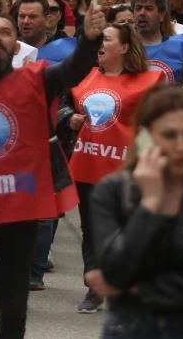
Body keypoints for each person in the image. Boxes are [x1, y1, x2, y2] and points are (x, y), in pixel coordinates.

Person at [0, 4, 106, 338]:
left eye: (5, 32)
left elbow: (75, 68)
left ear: (15, 46)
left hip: (19, 217)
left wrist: (89, 38)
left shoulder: (36, 82)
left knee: (13, 306)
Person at [91, 85, 183, 339]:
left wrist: (140, 289)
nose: (181, 146)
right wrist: (150, 204)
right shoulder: (114, 191)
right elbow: (115, 270)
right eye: (170, 135)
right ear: (145, 138)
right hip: (129, 329)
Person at [56, 23, 162, 313]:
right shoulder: (84, 76)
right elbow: (61, 106)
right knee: (91, 228)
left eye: (107, 39)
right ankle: (94, 286)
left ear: (125, 47)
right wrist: (69, 119)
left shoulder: (149, 81)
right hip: (87, 164)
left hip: (127, 169)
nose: (100, 44)